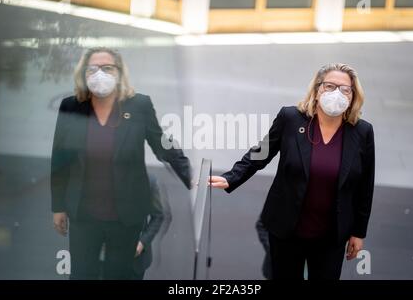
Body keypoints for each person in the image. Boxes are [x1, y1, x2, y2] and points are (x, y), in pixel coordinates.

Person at [209, 63, 375, 280]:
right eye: (330, 86)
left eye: (345, 89)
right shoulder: (291, 118)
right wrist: (232, 177)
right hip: (287, 229)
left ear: (353, 96)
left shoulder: (362, 132)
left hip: (331, 236)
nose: (337, 93)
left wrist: (358, 232)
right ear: (317, 90)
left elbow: (365, 186)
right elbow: (262, 152)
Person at [51, 47, 192, 279]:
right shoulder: (71, 106)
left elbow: (161, 144)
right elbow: (60, 158)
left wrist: (191, 176)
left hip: (125, 217)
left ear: (119, 73)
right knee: (82, 275)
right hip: (83, 216)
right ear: (84, 74)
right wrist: (57, 206)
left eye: (107, 68)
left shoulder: (139, 105)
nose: (99, 74)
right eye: (93, 69)